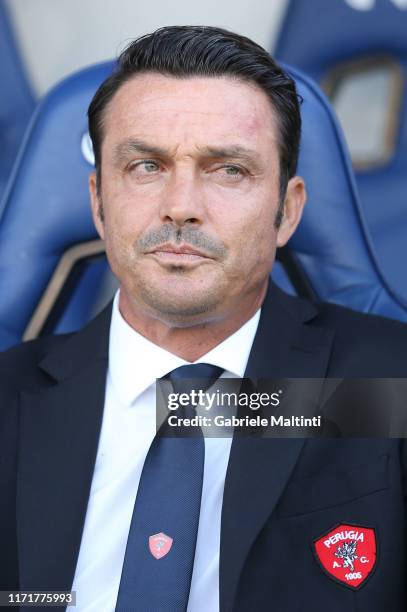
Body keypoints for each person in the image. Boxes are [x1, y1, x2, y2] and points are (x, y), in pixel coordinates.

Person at [1, 25, 407, 612]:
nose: (182, 206)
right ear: (98, 202)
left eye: (228, 169)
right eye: (146, 166)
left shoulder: (388, 384)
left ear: (287, 211)